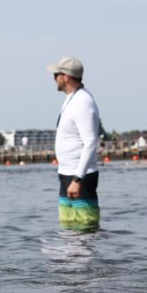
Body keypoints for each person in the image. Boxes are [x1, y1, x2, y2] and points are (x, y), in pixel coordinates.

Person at [49, 56, 101, 229]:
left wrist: (77, 179)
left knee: (85, 226)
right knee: (68, 227)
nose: (53, 79)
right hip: (66, 173)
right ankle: (70, 258)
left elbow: (91, 142)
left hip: (79, 177)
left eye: (55, 74)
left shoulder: (83, 101)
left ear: (66, 77)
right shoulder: (72, 98)